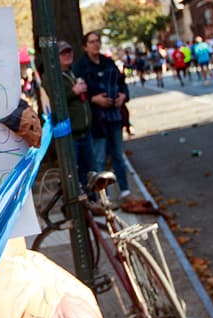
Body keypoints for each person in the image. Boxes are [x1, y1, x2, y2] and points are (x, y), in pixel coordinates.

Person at [73, 31, 157, 213]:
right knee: (99, 158)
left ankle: (125, 191)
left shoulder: (108, 62)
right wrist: (94, 100)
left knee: (118, 155)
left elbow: (122, 83)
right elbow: (79, 95)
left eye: (97, 41)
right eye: (92, 42)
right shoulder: (80, 67)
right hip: (97, 120)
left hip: (114, 117)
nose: (96, 45)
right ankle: (104, 196)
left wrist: (122, 96)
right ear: (85, 46)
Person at [55, 40, 95, 203]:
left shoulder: (72, 73)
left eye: (69, 52)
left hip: (85, 131)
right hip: (71, 134)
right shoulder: (55, 78)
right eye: (63, 53)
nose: (68, 55)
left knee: (88, 170)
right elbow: (55, 103)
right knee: (74, 171)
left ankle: (90, 201)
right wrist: (73, 92)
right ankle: (78, 206)